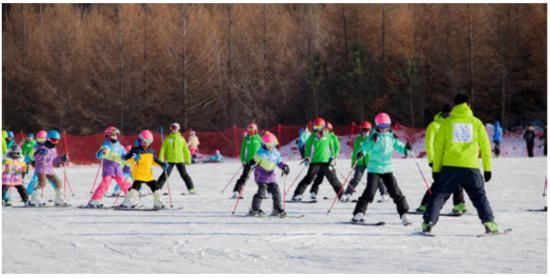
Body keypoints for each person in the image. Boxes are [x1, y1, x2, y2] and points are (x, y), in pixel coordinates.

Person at [422, 93, 498, 234]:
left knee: (439, 195)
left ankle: (428, 222)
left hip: (450, 167)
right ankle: (489, 222)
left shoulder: (446, 123)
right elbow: (486, 147)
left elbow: (439, 148)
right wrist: (487, 169)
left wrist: (436, 170)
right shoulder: (476, 123)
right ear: (468, 104)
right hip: (471, 167)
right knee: (479, 196)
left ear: (455, 105)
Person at [352, 113, 412, 225]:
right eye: (381, 127)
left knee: (395, 191)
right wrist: (361, 152)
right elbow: (365, 146)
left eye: (386, 127)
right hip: (374, 168)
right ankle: (359, 213)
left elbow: (398, 146)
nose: (384, 129)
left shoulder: (391, 136)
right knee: (370, 192)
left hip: (387, 168)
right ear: (377, 125)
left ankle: (404, 214)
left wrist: (405, 150)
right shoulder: (373, 137)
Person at [416, 104, 467, 215]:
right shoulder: (434, 126)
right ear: (443, 113)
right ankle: (425, 205)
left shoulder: (452, 125)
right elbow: (429, 144)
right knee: (439, 183)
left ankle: (459, 204)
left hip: (452, 159)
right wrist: (431, 160)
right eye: (447, 114)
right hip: (439, 160)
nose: (449, 116)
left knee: (457, 180)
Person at [292, 117, 344, 202]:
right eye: (315, 127)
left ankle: (341, 195)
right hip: (315, 160)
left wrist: (333, 157)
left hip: (326, 161)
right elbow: (308, 147)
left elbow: (332, 147)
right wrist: (307, 157)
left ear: (323, 126)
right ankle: (297, 194)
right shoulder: (312, 136)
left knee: (333, 179)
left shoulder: (328, 136)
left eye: (318, 127)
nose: (316, 129)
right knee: (309, 177)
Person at [341, 121, 388, 202]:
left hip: (371, 162)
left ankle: (384, 194)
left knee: (378, 178)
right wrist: (353, 162)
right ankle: (348, 194)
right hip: (360, 162)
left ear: (370, 130)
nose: (365, 132)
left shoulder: (373, 139)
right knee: (356, 179)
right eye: (363, 130)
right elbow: (355, 151)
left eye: (366, 130)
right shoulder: (358, 140)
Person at [119, 130, 167, 209]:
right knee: (134, 190)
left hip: (149, 175)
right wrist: (134, 158)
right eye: (144, 141)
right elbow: (127, 161)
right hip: (138, 175)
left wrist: (162, 165)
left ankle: (158, 202)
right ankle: (128, 203)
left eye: (149, 142)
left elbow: (154, 161)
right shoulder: (135, 151)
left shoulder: (151, 151)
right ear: (140, 140)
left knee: (156, 188)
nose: (146, 144)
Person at [86, 127, 131, 208]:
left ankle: (131, 197)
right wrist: (102, 152)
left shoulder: (120, 146)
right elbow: (99, 155)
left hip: (117, 168)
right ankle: (95, 200)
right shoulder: (106, 145)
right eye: (113, 135)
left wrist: (129, 158)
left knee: (123, 182)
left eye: (116, 135)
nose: (115, 137)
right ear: (108, 135)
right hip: (108, 168)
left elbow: (124, 156)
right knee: (105, 183)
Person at [247, 132, 290, 217]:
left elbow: (279, 162)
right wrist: (252, 162)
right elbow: (254, 161)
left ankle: (277, 209)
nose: (271, 147)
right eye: (269, 145)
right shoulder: (260, 153)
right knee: (262, 192)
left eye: (272, 145)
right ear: (264, 144)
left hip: (271, 177)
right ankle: (254, 209)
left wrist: (284, 167)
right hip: (261, 176)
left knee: (276, 192)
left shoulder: (275, 153)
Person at [28, 130, 69, 206]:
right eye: (53, 140)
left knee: (58, 183)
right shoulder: (41, 147)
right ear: (48, 139)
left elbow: (54, 161)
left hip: (49, 170)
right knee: (42, 183)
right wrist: (40, 153)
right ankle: (34, 200)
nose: (55, 142)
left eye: (57, 141)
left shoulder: (53, 149)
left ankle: (59, 200)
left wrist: (62, 159)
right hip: (41, 169)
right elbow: (35, 157)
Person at [157, 122, 196, 195]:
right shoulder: (168, 139)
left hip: (180, 160)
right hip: (170, 160)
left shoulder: (181, 139)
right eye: (172, 128)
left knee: (184, 175)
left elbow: (185, 150)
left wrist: (188, 159)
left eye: (175, 128)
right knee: (165, 174)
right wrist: (161, 160)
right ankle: (157, 188)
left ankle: (191, 189)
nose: (173, 130)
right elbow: (163, 149)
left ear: (178, 129)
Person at [231, 123, 262, 199]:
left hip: (258, 161)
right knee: (244, 176)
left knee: (261, 177)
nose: (250, 132)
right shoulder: (246, 139)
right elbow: (242, 151)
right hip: (249, 161)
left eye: (252, 131)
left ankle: (264, 191)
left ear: (255, 131)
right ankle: (236, 191)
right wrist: (243, 160)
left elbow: (263, 149)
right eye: (249, 131)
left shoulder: (258, 138)